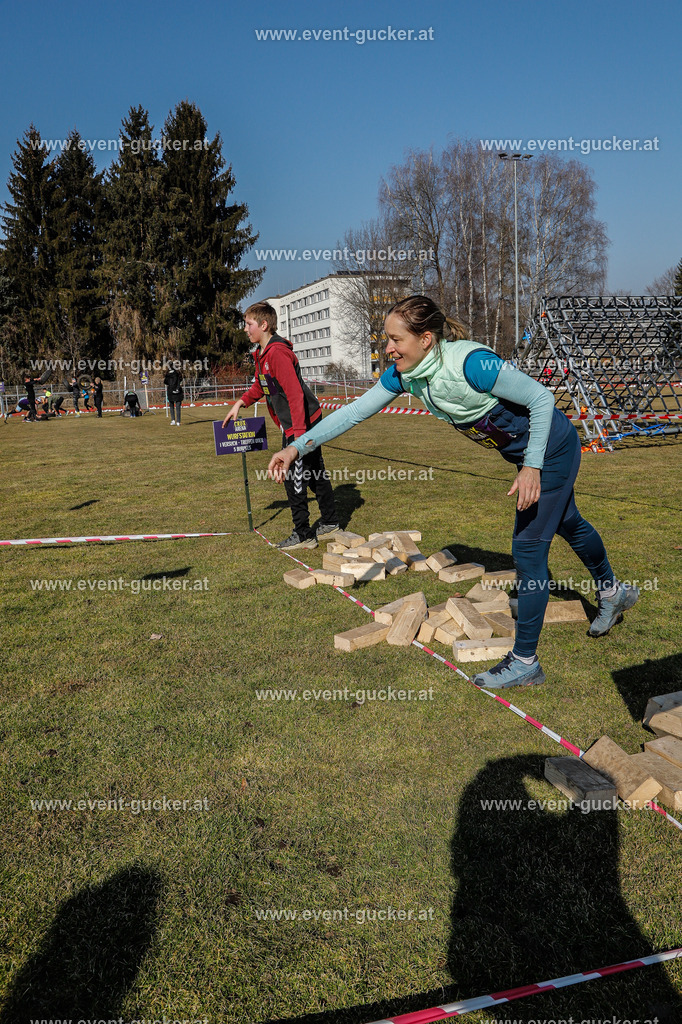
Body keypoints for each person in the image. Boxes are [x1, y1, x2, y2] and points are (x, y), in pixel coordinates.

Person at [268, 295, 639, 688]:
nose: (388, 348)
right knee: (568, 522)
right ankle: (613, 592)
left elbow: (541, 399)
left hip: (553, 448)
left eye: (396, 340)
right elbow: (355, 412)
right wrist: (296, 447)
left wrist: (532, 467)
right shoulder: (405, 374)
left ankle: (525, 661)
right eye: (387, 340)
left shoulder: (472, 364)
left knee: (529, 548)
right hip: (530, 455)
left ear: (425, 339)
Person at [223, 301, 339, 550]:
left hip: (303, 423)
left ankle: (304, 535)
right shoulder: (263, 354)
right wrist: (240, 403)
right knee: (315, 472)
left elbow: (295, 395)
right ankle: (330, 522)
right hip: (299, 423)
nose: (245, 329)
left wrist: (297, 439)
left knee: (293, 477)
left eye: (248, 324)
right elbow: (263, 386)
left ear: (263, 325)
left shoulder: (277, 353)